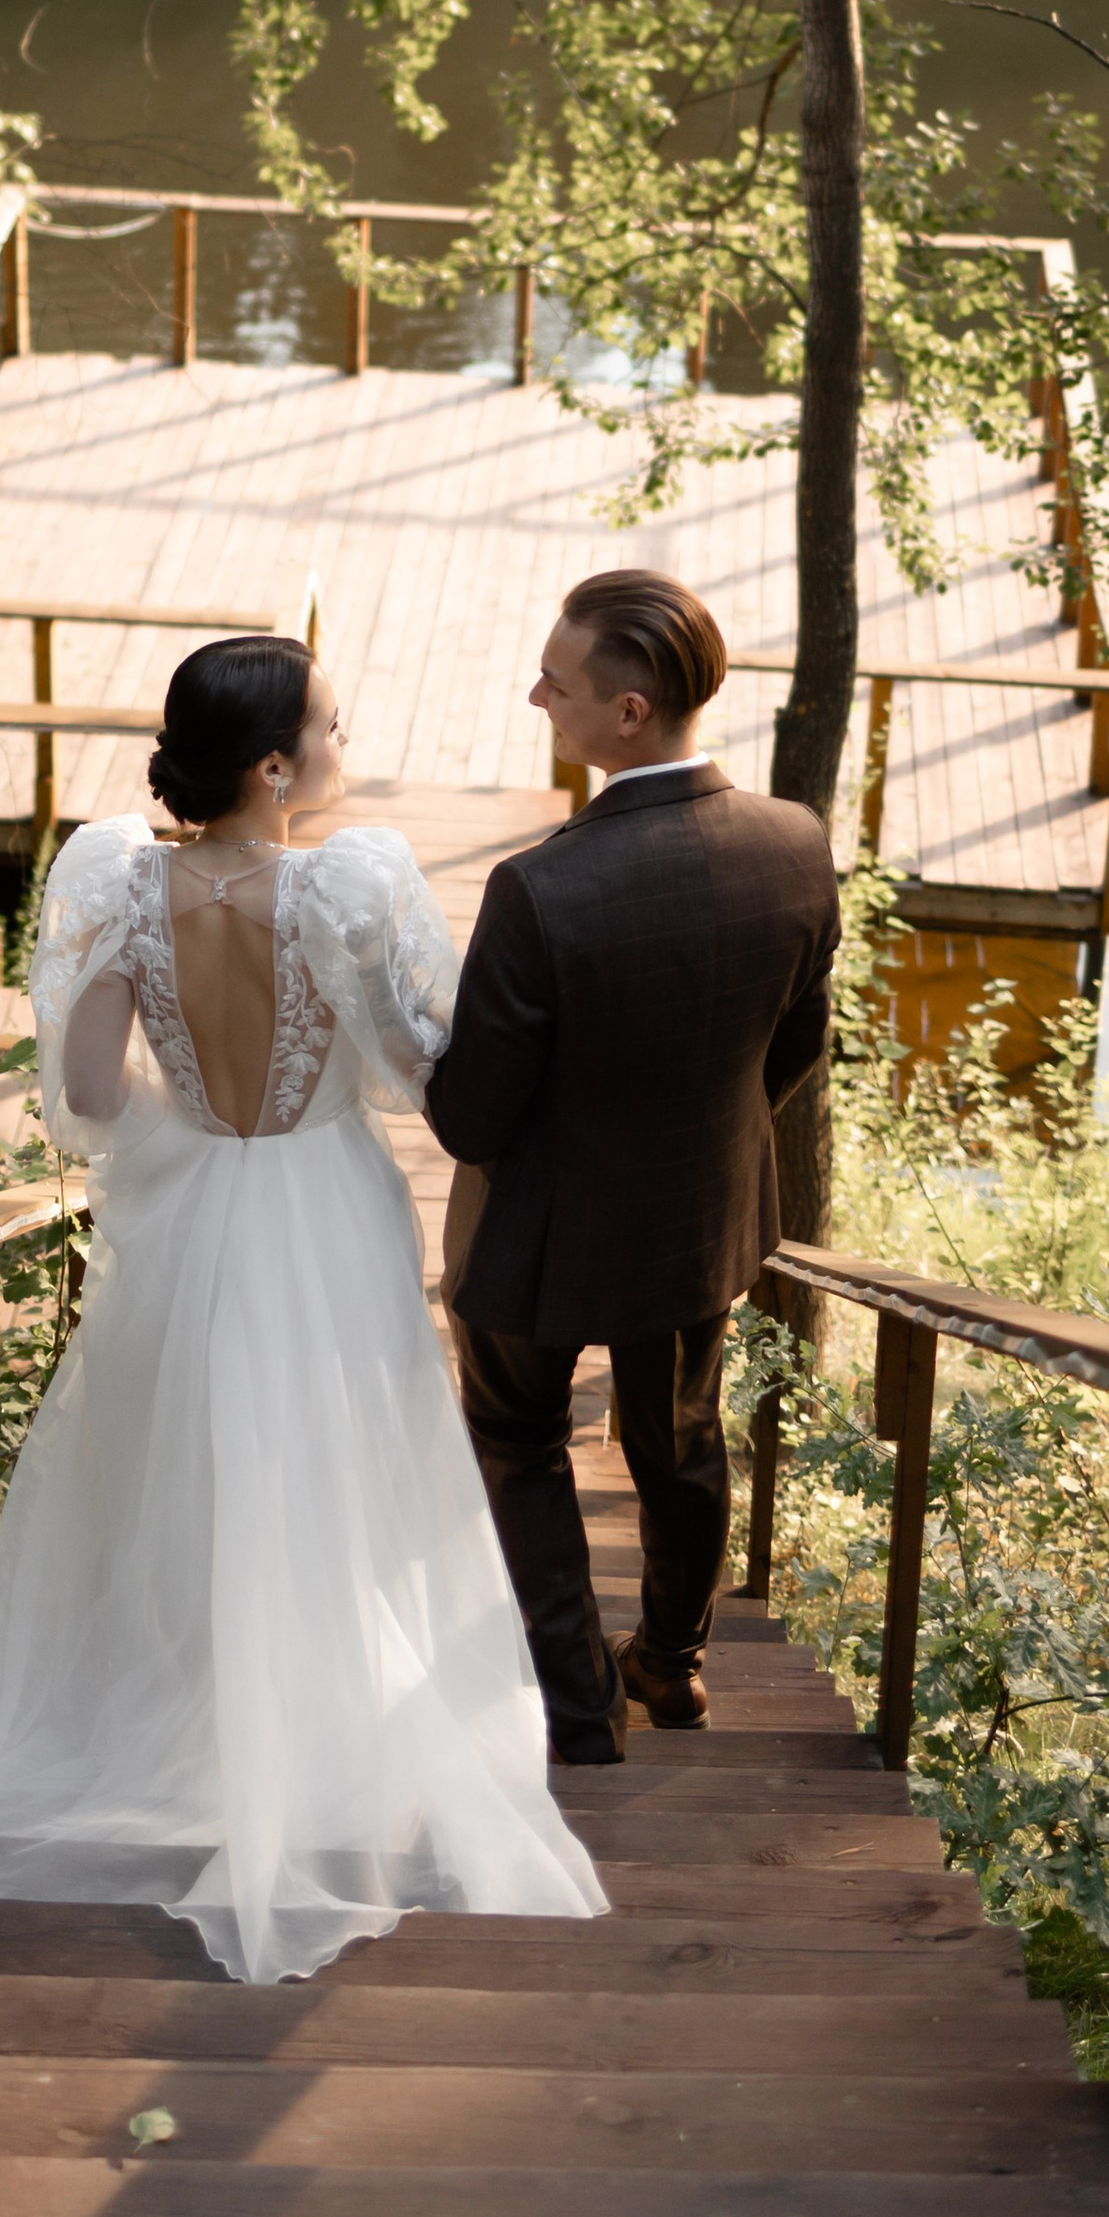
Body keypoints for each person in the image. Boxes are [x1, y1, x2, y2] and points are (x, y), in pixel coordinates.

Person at [0, 633, 605, 1983]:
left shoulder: (117, 881)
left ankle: (187, 1713)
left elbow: (94, 1101)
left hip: (189, 1203)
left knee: (179, 1453)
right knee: (342, 1458)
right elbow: (421, 1071)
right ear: (277, 764)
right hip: (322, 1196)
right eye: (333, 728)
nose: (348, 749)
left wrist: (181, 1082)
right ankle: (331, 1723)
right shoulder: (349, 886)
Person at [427, 569, 839, 1765]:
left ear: (628, 710)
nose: (534, 695)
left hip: (541, 1233)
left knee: (517, 1435)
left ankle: (577, 1705)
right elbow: (795, 1045)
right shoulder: (794, 842)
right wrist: (699, 1136)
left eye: (556, 683)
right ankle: (672, 1659)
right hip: (697, 1217)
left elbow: (469, 1119)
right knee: (682, 1438)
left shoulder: (539, 888)